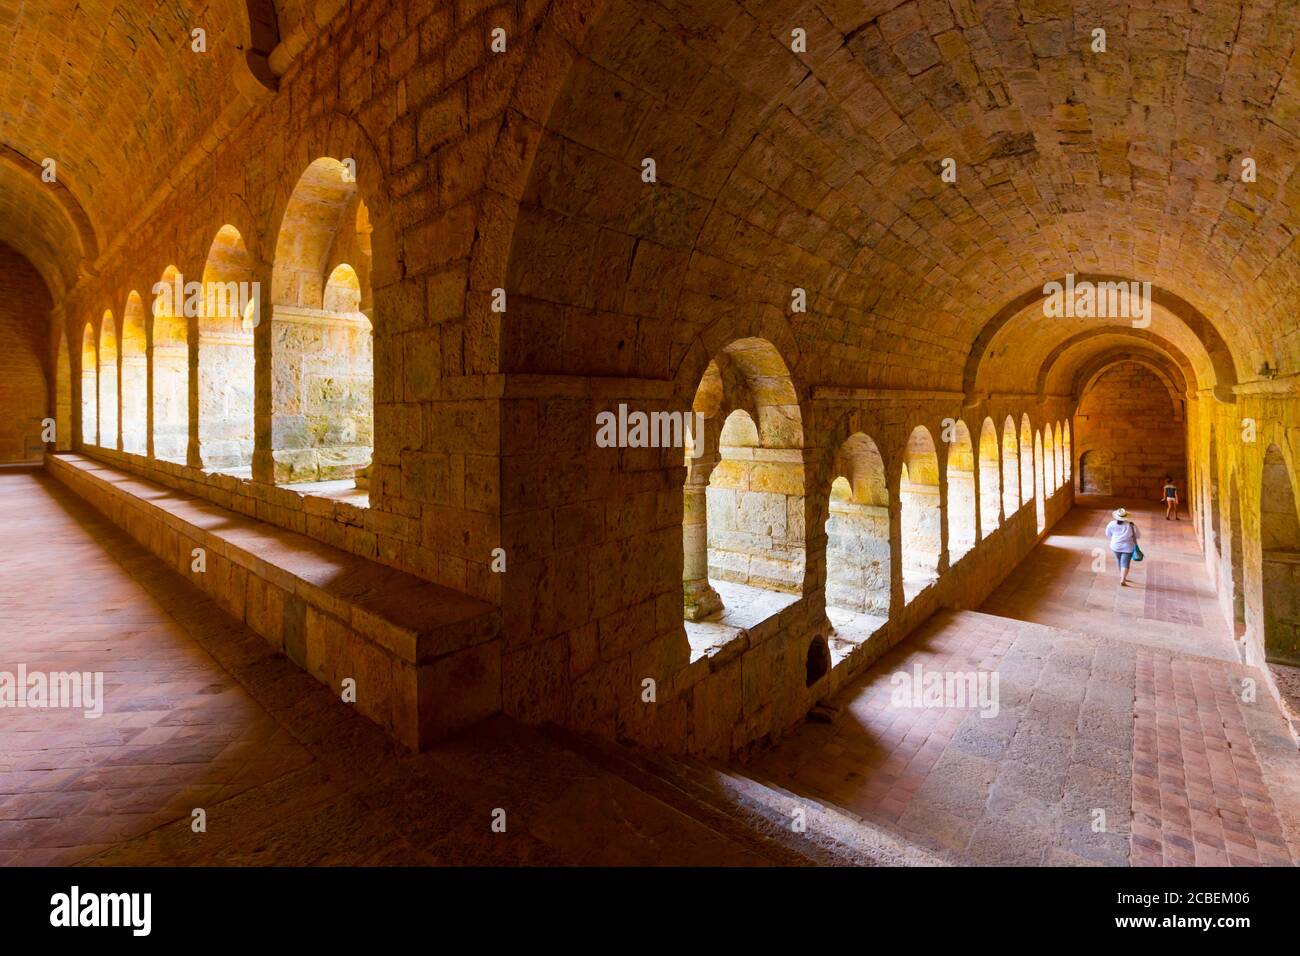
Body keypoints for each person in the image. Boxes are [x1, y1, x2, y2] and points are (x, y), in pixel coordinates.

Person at [1105, 507, 1141, 586]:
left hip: (1115, 546)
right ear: (1125, 517)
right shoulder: (1131, 525)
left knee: (1119, 560)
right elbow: (1138, 536)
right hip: (1128, 547)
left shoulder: (1111, 524)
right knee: (1125, 562)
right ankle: (1123, 579)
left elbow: (1108, 534)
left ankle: (1122, 576)